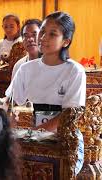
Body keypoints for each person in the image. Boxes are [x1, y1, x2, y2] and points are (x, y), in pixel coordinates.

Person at [8, 11, 85, 174]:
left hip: (64, 141)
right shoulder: (26, 69)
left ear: (65, 41)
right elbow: (13, 104)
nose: (43, 37)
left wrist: (36, 133)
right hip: (30, 136)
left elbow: (68, 114)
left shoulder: (74, 71)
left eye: (52, 34)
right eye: (42, 31)